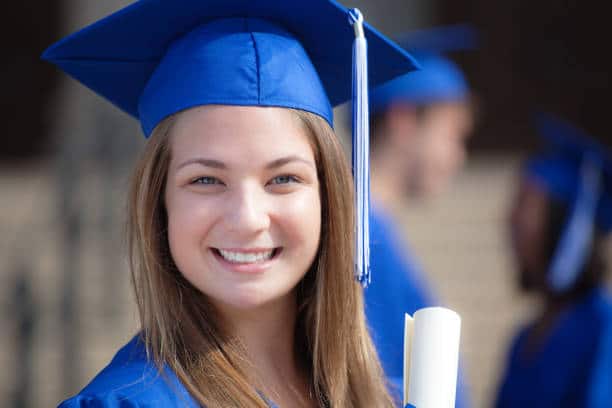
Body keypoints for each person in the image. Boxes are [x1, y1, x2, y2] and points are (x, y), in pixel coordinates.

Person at [42, 1, 419, 407]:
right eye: (206, 180)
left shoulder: (374, 396)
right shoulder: (124, 403)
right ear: (159, 203)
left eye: (283, 179)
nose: (247, 218)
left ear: (329, 198)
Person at [363, 25, 475, 405]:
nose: (458, 156)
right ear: (404, 120)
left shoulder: (376, 231)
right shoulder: (362, 241)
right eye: (453, 135)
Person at [495, 113, 612, 407]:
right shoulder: (524, 339)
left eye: (524, 204)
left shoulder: (603, 330)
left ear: (565, 226)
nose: (509, 219)